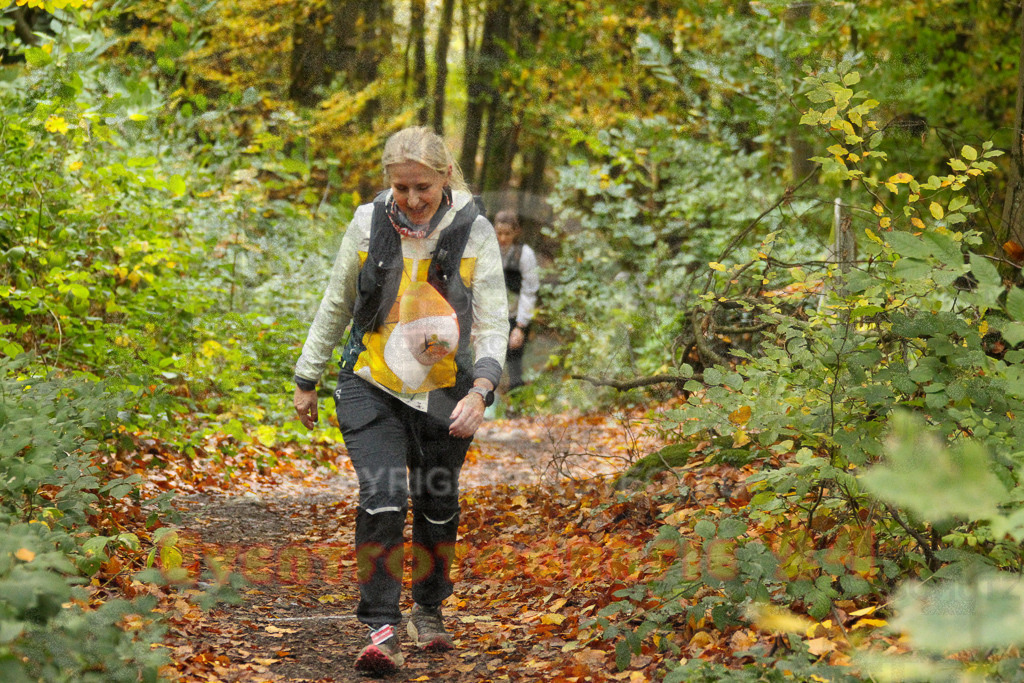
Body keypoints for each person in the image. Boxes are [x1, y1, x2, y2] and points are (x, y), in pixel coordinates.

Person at [292, 126, 508, 676]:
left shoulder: (475, 231)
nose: (411, 200)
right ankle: (381, 627)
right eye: (401, 187)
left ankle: (429, 608)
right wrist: (306, 375)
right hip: (372, 383)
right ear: (389, 182)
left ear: (444, 179)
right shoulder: (367, 223)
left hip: (446, 392)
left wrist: (482, 391)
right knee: (385, 495)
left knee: (436, 505)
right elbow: (337, 301)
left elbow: (491, 323)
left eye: (423, 189)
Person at [493, 209, 539, 391]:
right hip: (493, 314)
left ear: (516, 232)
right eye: (499, 233)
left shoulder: (525, 255)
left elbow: (530, 290)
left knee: (514, 361)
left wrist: (520, 327)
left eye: (507, 234)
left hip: (516, 315)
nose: (503, 238)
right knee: (490, 359)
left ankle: (515, 405)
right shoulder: (488, 251)